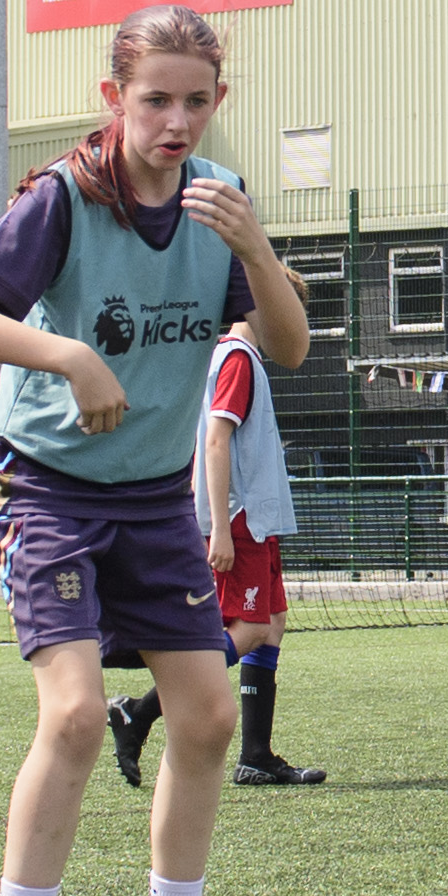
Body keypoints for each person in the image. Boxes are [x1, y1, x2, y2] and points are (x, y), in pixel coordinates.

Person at [0, 4, 311, 896]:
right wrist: (67, 356)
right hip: (48, 490)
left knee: (209, 716)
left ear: (218, 103)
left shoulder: (219, 208)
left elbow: (291, 344)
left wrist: (259, 253)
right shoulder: (61, 200)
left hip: (151, 501)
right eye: (154, 100)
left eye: (194, 100)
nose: (174, 120)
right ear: (115, 100)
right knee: (78, 716)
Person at [108, 322, 327, 791]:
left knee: (271, 623)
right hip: (240, 518)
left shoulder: (241, 359)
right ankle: (138, 713)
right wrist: (221, 531)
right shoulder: (237, 358)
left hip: (258, 520)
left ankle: (256, 756)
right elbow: (215, 440)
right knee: (249, 628)